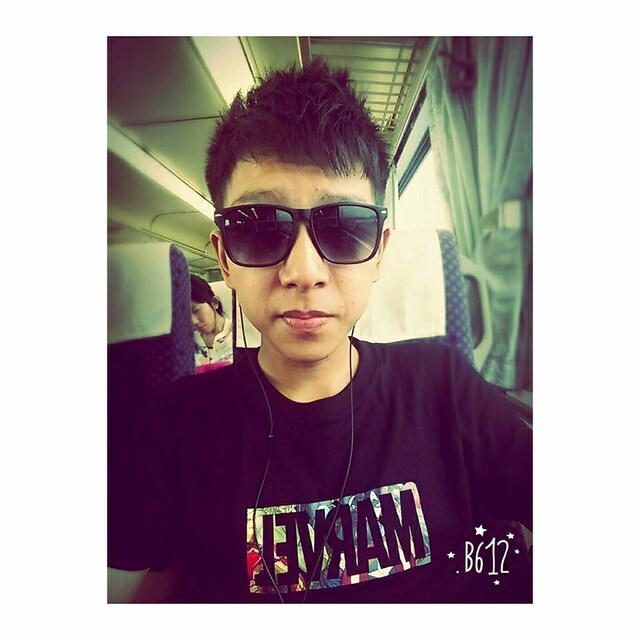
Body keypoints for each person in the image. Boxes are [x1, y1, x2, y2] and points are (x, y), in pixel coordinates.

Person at [107, 58, 532, 603]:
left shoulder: (445, 386)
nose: (304, 272)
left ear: (379, 252)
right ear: (225, 258)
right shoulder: (172, 427)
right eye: (260, 229)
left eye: (346, 227)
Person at [189, 273, 233, 367]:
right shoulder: (189, 342)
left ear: (214, 303)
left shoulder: (239, 337)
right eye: (186, 316)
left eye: (196, 310)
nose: (194, 321)